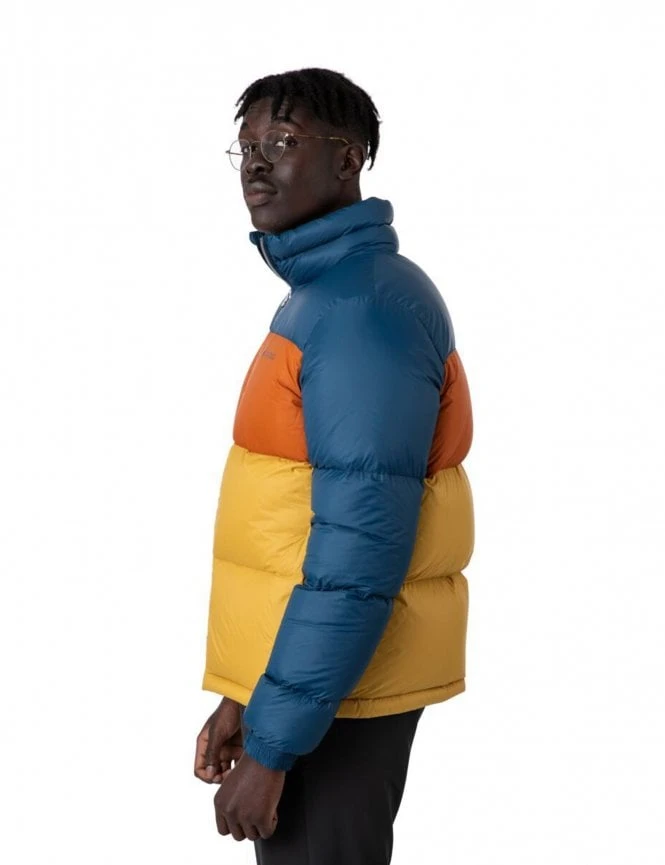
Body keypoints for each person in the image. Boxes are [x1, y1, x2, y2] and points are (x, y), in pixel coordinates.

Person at [193, 67, 474, 865]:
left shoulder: (363, 309)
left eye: (281, 141)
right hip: (315, 686)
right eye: (245, 145)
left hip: (339, 697)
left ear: (348, 159)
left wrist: (275, 745)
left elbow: (358, 551)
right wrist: (246, 690)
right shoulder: (330, 296)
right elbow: (291, 525)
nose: (256, 163)